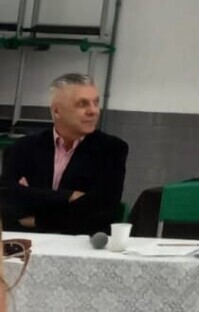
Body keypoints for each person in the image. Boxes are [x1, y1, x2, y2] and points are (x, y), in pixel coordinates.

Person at [0, 73, 128, 236]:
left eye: (96, 102)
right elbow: (7, 201)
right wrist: (67, 196)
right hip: (26, 241)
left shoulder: (111, 149)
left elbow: (101, 211)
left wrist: (37, 217)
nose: (93, 111)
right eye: (82, 104)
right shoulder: (22, 148)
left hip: (79, 243)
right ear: (57, 111)